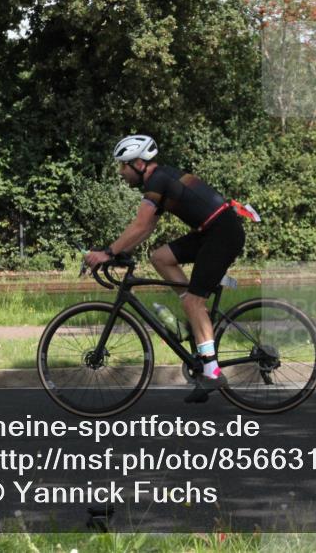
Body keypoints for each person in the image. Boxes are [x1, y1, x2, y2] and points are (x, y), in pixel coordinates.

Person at [83, 135, 254, 403]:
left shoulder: (158, 180)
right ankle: (195, 320)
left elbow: (140, 226)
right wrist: (120, 252)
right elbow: (147, 228)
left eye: (123, 165)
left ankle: (211, 371)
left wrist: (108, 253)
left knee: (194, 302)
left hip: (222, 234)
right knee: (160, 257)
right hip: (211, 231)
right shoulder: (160, 179)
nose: (121, 172)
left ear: (139, 164)